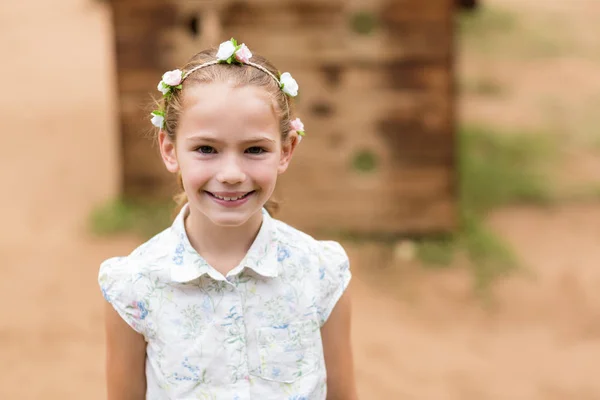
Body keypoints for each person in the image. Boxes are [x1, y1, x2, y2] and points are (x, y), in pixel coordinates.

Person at [99, 38, 358, 399]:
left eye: (255, 149)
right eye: (206, 149)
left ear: (286, 150)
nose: (232, 173)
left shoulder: (320, 273)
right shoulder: (133, 287)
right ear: (170, 149)